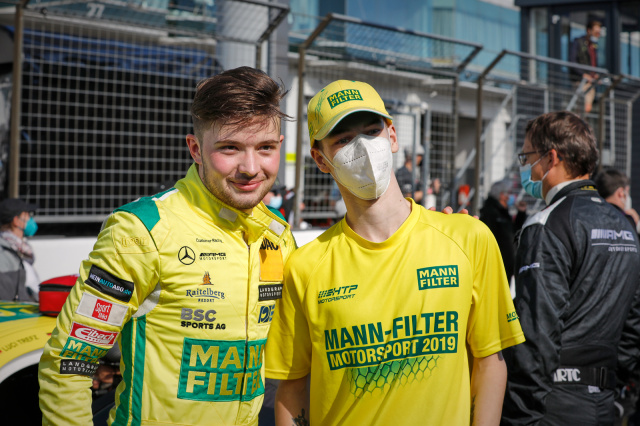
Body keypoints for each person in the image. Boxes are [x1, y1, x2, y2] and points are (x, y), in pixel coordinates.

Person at [38, 66, 296, 426]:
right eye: (230, 147)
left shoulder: (277, 234)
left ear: (279, 146)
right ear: (196, 149)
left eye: (265, 148)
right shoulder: (142, 230)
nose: (251, 168)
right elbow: (68, 363)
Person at [266, 79, 525, 425]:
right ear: (320, 159)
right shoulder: (305, 267)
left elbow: (490, 362)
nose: (362, 146)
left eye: (372, 131)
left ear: (392, 136)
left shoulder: (469, 239)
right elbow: (292, 386)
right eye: (343, 140)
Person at [502, 111, 640, 425]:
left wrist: (520, 416)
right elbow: (633, 326)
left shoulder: (546, 224)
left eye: (527, 156)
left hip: (552, 402)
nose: (525, 166)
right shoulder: (625, 226)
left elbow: (536, 333)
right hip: (604, 402)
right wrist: (620, 394)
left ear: (551, 158)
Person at [479, 178, 527, 282]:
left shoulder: (503, 213)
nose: (510, 196)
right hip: (496, 267)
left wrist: (521, 213)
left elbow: (513, 233)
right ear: (501, 195)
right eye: (508, 193)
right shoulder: (490, 213)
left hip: (507, 266)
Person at [0, 197, 40, 301]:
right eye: (27, 215)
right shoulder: (6, 252)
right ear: (16, 221)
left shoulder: (18, 248)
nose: (30, 219)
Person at [569, 20, 603, 114]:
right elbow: (572, 61)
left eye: (599, 33)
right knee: (583, 108)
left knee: (586, 109)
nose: (598, 35)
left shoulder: (594, 46)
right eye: (596, 32)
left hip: (591, 81)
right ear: (589, 30)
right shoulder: (578, 42)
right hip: (581, 80)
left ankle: (581, 123)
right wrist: (583, 74)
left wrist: (595, 75)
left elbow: (593, 63)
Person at [594, 168, 640, 233]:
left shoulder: (591, 216)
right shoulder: (627, 221)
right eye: (627, 192)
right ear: (621, 193)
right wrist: (637, 225)